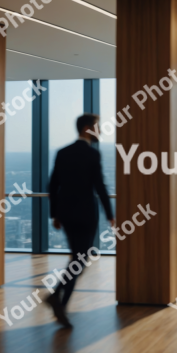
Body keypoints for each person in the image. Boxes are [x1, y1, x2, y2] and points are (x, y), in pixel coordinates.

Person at [47, 113, 115, 327]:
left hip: (66, 214)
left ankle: (59, 301)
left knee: (77, 259)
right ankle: (59, 301)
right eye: (97, 127)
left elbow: (52, 186)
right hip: (85, 215)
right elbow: (100, 187)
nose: (100, 131)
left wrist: (55, 214)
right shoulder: (92, 155)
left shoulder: (62, 153)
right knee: (80, 260)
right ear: (87, 128)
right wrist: (110, 214)